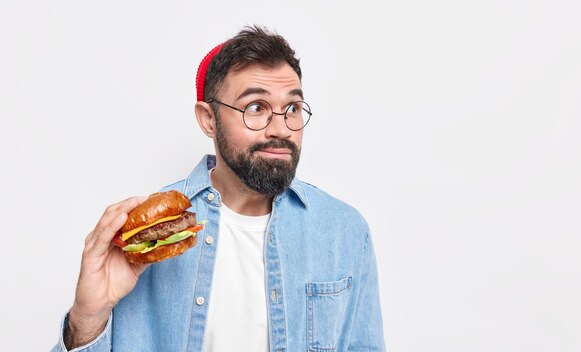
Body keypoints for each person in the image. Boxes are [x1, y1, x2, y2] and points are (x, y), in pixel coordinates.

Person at [52, 25, 385, 352]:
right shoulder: (138, 242)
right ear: (208, 119)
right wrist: (86, 320)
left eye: (293, 109)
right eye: (256, 108)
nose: (281, 128)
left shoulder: (345, 231)